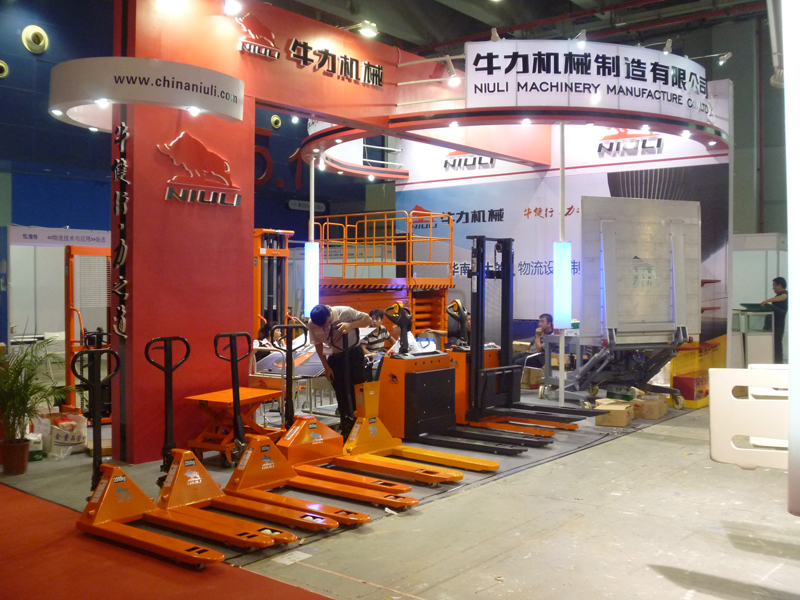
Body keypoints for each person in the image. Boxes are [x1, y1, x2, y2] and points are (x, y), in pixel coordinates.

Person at [307, 304, 372, 437]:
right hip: (335, 356)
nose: (325, 327)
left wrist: (350, 325)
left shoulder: (345, 312)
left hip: (353, 354)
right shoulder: (312, 323)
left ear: (329, 313)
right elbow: (318, 345)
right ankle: (346, 426)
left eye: (327, 323)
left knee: (356, 391)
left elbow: (367, 319)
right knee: (340, 393)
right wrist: (326, 367)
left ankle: (360, 425)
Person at [761, 277, 788, 363]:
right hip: (772, 325)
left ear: (780, 285)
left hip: (777, 326)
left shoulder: (785, 294)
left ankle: (779, 364)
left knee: (777, 347)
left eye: (774, 285)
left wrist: (767, 301)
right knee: (772, 346)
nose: (773, 287)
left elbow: (783, 297)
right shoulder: (777, 296)